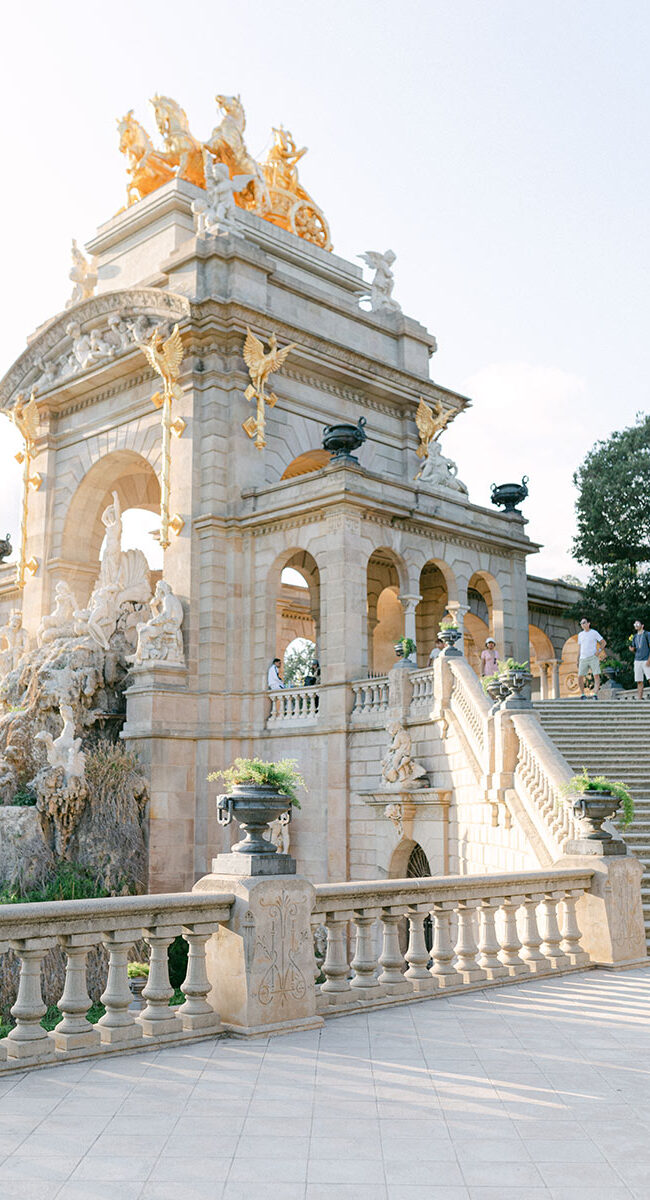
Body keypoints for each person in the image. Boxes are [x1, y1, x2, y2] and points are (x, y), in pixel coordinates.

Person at [577, 617, 606, 699]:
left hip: (593, 657)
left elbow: (603, 642)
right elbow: (579, 647)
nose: (582, 624)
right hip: (583, 658)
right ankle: (582, 694)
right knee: (580, 676)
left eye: (584, 622)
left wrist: (599, 651)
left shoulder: (594, 633)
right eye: (581, 623)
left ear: (588, 623)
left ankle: (595, 694)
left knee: (596, 675)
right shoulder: (580, 635)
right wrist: (577, 659)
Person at [629, 620, 650, 699]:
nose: (636, 625)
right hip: (637, 660)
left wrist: (649, 660)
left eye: (638, 624)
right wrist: (632, 649)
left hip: (646, 659)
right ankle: (639, 698)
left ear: (642, 625)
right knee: (639, 680)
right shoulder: (634, 637)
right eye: (635, 624)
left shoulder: (647, 634)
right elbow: (635, 648)